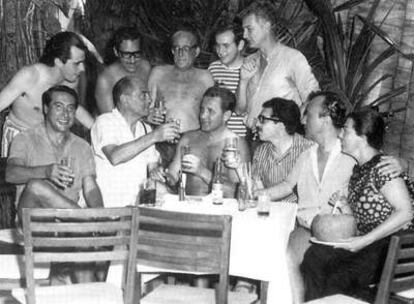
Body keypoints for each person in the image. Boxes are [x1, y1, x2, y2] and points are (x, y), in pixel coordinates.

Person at [301, 109, 414, 301]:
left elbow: (406, 213)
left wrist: (364, 240)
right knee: (314, 258)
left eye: (345, 130)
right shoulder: (359, 169)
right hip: (374, 245)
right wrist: (346, 207)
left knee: (338, 278)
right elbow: (368, 215)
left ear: (362, 137)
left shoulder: (382, 167)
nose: (340, 134)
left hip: (395, 248)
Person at [6, 85, 103, 283]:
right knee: (36, 185)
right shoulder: (24, 139)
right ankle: (85, 219)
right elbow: (11, 174)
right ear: (45, 108)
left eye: (70, 108)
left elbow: (90, 187)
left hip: (71, 227)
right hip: (35, 222)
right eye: (58, 107)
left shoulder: (82, 146)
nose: (65, 114)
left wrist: (99, 212)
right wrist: (46, 171)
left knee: (88, 275)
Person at [0, 31, 95, 157]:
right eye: (77, 63)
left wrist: (100, 130)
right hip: (18, 137)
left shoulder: (70, 82)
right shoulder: (30, 76)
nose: (82, 69)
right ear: (59, 62)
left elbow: (77, 111)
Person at [91, 76, 180, 207]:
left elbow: (152, 167)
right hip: (108, 207)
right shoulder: (105, 122)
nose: (149, 100)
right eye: (143, 95)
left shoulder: (145, 128)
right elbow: (115, 156)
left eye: (149, 96)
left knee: (173, 201)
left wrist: (157, 172)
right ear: (124, 99)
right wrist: (155, 135)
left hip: (136, 207)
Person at [236, 0, 319, 132]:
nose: (245, 35)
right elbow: (239, 110)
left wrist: (294, 127)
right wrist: (243, 81)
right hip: (252, 137)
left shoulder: (293, 58)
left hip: (280, 142)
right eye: (243, 30)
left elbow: (314, 98)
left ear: (267, 26)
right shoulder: (249, 61)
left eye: (249, 29)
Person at [154, 86, 250, 198]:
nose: (203, 116)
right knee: (155, 187)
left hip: (221, 209)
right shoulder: (188, 138)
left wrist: (202, 172)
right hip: (189, 207)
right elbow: (172, 177)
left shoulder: (235, 145)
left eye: (210, 111)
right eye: (202, 109)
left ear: (226, 116)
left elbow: (239, 193)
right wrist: (161, 175)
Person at [224, 97, 313, 203]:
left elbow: (290, 189)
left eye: (262, 120)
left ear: (281, 124)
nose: (257, 124)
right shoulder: (261, 151)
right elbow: (258, 190)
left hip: (298, 215)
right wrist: (238, 167)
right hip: (270, 212)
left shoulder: (307, 149)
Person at [148, 29, 214, 165]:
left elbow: (214, 112)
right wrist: (148, 116)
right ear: (172, 51)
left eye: (185, 48)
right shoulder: (158, 73)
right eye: (176, 48)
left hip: (192, 142)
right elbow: (144, 107)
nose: (180, 53)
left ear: (196, 52)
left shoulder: (205, 77)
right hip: (161, 142)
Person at [95, 27, 151, 114]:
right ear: (116, 52)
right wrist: (145, 119)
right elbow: (109, 119)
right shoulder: (106, 79)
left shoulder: (145, 67)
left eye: (136, 54)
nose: (132, 60)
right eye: (126, 54)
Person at [208, 21, 247, 138]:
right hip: (215, 138)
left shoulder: (251, 69)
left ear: (240, 45)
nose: (220, 51)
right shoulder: (213, 68)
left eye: (225, 45)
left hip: (241, 139)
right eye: (217, 45)